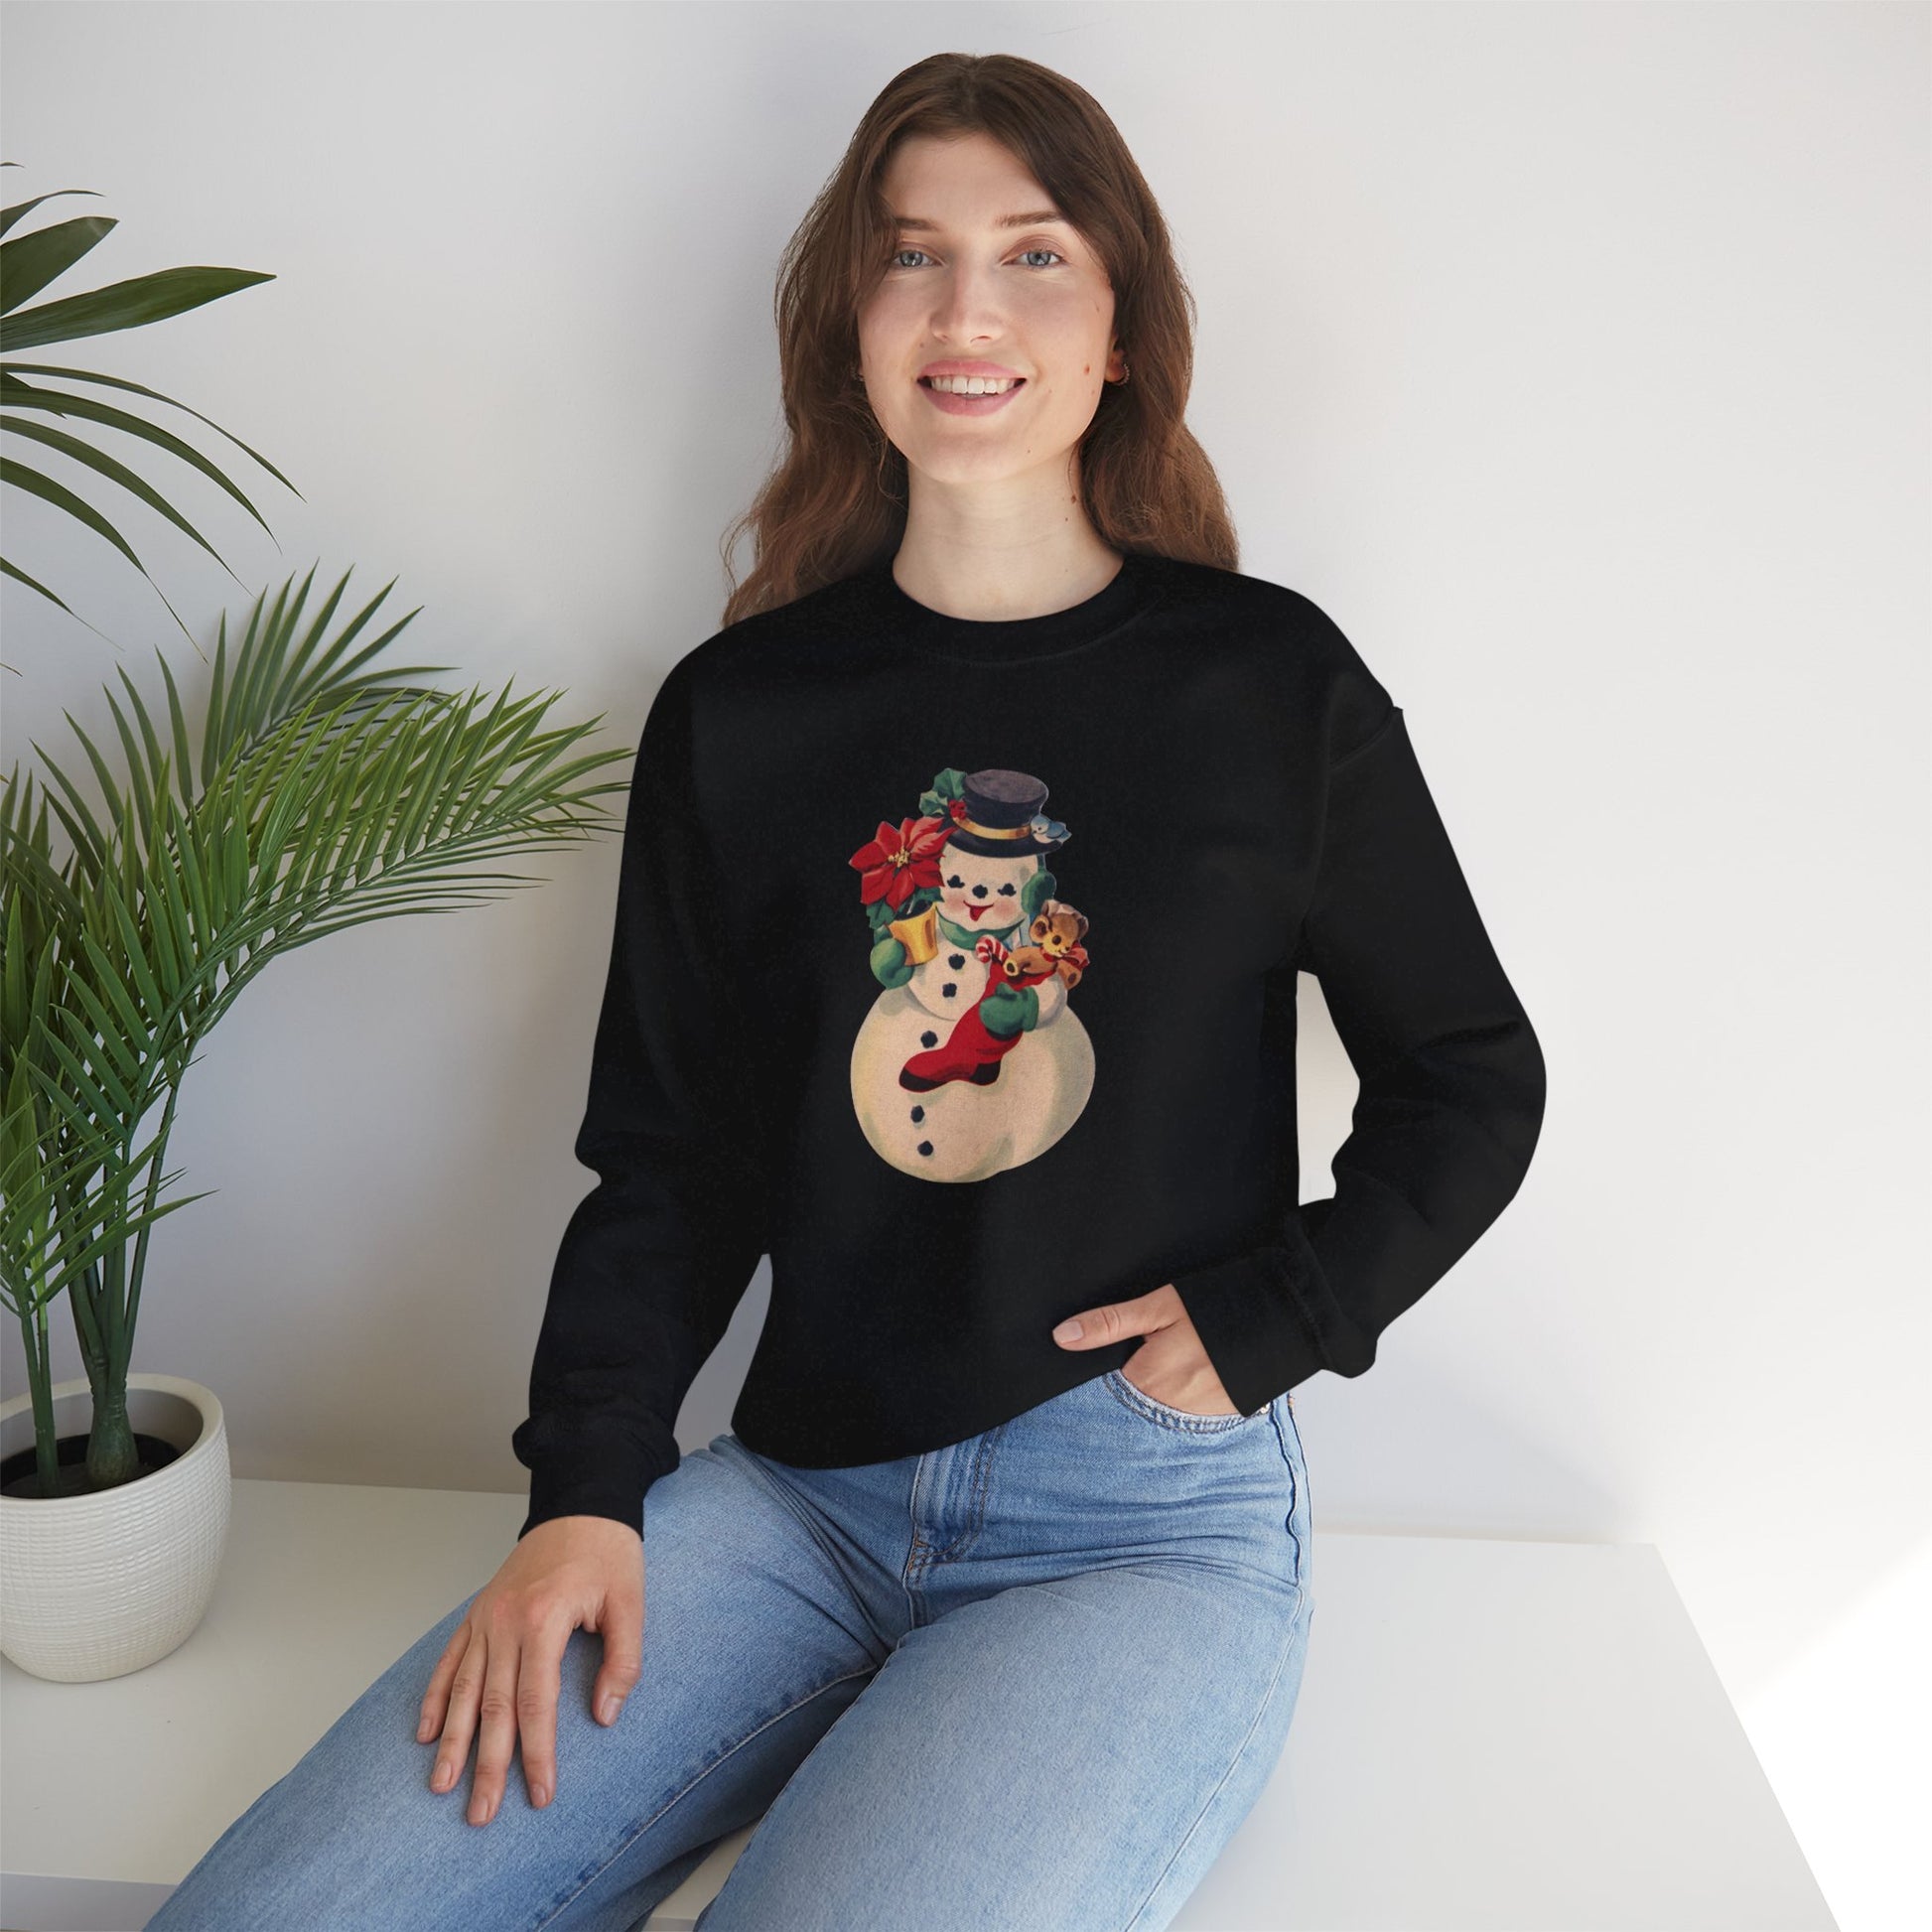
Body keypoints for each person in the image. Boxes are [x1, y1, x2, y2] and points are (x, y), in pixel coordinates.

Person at [146, 51, 1546, 1932]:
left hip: (1134, 1524)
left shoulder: (1268, 686)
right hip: (792, 1496)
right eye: (910, 256)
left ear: (1119, 328)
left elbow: (1470, 1073)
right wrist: (584, 1492)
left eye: (1033, 254)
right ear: (850, 324)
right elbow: (671, 1156)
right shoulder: (741, 713)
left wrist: (1281, 1309)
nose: (967, 310)